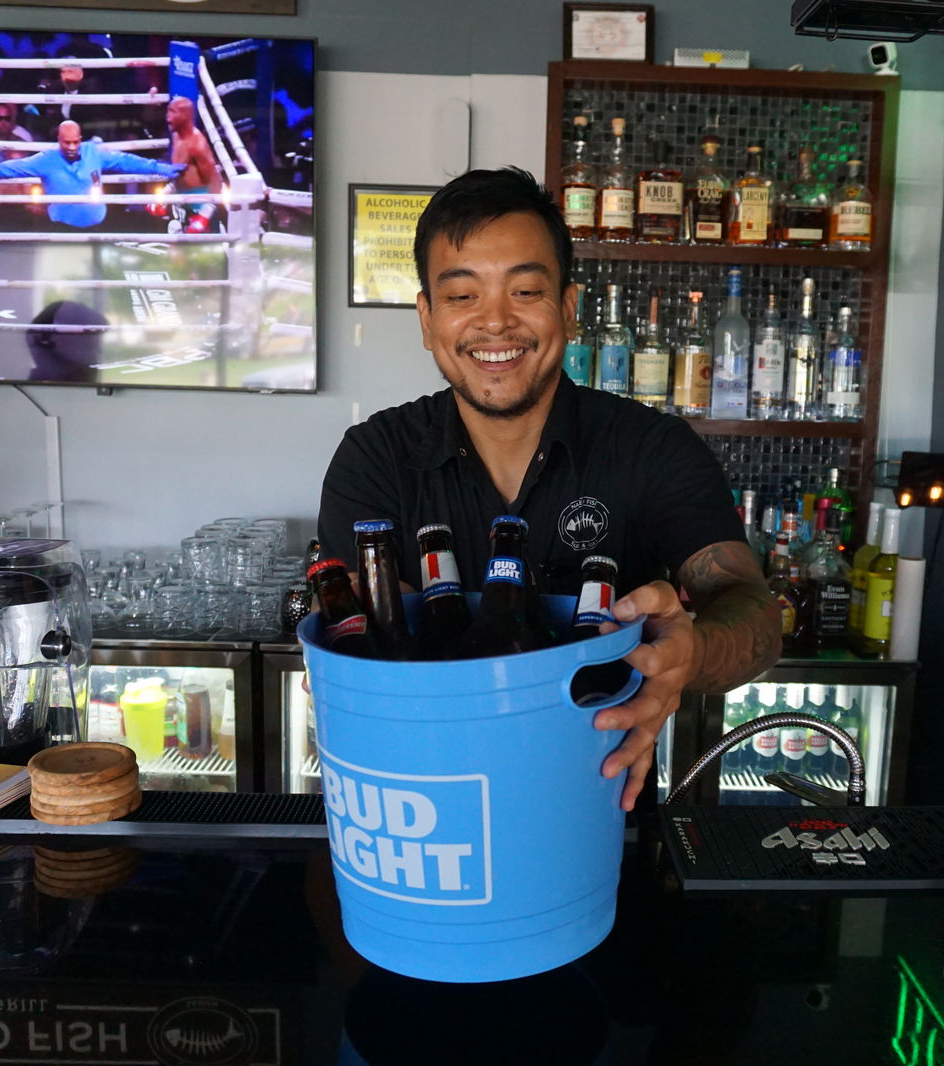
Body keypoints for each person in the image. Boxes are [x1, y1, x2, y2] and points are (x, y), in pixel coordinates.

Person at [315, 167, 781, 812]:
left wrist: (690, 652)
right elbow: (377, 642)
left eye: (526, 290)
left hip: (600, 799)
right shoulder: (376, 457)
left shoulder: (652, 448)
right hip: (428, 802)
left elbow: (754, 610)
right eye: (461, 296)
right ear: (426, 319)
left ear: (567, 305)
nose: (495, 323)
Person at [0, 120, 184, 228]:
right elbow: (17, 167)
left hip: (98, 225)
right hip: (58, 228)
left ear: (80, 139)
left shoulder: (93, 152)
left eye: (75, 141)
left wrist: (163, 168)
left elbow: (127, 161)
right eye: (67, 142)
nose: (72, 146)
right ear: (59, 140)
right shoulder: (46, 159)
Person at [166, 96, 222, 233]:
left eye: (172, 112)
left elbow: (215, 180)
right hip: (182, 204)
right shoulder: (176, 136)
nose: (168, 117)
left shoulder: (198, 144)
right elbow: (182, 171)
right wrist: (167, 191)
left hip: (201, 207)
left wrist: (205, 215)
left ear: (185, 115)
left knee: (208, 252)